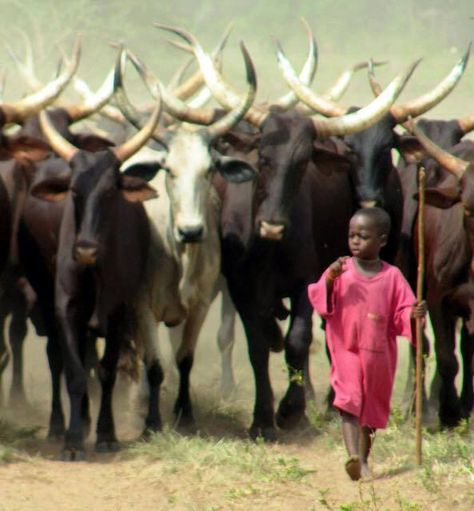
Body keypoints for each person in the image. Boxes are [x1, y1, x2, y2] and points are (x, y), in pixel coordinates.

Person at [307, 207, 426, 481]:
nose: (355, 241)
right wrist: (330, 278)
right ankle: (353, 458)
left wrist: (413, 314)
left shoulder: (393, 276)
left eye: (362, 236)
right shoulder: (341, 270)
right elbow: (320, 299)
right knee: (349, 401)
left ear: (382, 240)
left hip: (379, 355)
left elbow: (402, 312)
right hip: (345, 348)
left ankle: (364, 460)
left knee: (371, 410)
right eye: (351, 236)